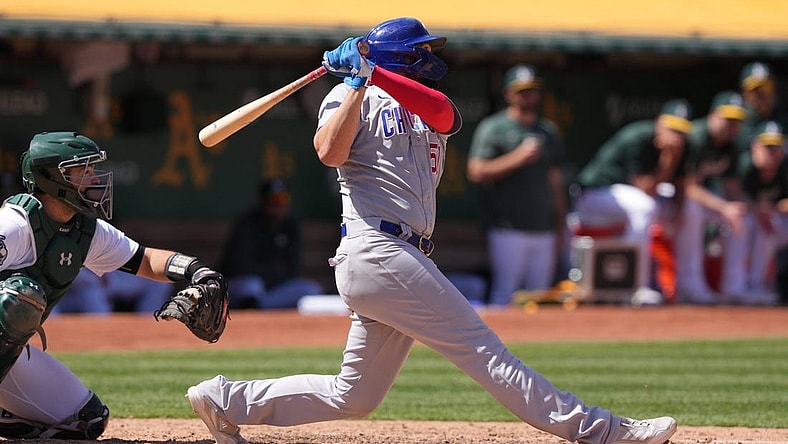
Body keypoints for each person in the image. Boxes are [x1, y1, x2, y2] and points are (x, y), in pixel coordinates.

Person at [185, 17, 677, 444]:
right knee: (487, 354)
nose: (429, 58)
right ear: (400, 56)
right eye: (420, 52)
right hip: (377, 247)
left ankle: (226, 400)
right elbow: (329, 153)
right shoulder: (344, 94)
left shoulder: (425, 104)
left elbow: (446, 115)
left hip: (398, 256)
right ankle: (601, 430)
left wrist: (371, 69)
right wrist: (357, 82)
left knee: (353, 396)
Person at [0, 131, 226, 439]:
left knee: (86, 420)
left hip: (9, 356)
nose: (93, 178)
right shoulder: (15, 224)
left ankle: (7, 414)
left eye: (92, 169)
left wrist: (197, 271)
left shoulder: (84, 230)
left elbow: (144, 260)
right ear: (52, 177)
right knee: (18, 299)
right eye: (82, 170)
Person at [572, 99, 694, 305]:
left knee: (691, 209)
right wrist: (669, 158)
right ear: (659, 123)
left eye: (681, 131)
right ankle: (637, 285)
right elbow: (646, 188)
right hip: (594, 198)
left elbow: (680, 186)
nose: (676, 136)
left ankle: (688, 284)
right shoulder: (637, 137)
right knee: (645, 206)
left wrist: (679, 214)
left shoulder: (683, 146)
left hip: (626, 201)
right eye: (672, 129)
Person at [466, 64, 567, 308]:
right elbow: (476, 171)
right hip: (507, 226)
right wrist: (518, 157)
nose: (528, 96)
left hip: (543, 226)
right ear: (508, 94)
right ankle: (496, 348)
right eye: (521, 91)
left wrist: (561, 222)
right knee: (506, 295)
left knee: (539, 297)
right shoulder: (494, 127)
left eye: (532, 90)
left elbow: (555, 181)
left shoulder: (547, 130)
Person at [673, 91, 748, 304]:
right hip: (672, 195)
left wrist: (735, 208)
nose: (731, 126)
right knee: (692, 208)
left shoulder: (731, 145)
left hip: (704, 198)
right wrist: (724, 207)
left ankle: (735, 288)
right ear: (713, 115)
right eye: (728, 119)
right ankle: (690, 283)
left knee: (740, 214)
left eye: (736, 121)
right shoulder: (696, 137)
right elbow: (688, 188)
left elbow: (732, 188)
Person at [219, 178, 324, 309]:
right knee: (252, 286)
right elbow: (239, 267)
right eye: (273, 199)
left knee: (311, 289)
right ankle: (248, 317)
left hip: (273, 290)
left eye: (282, 199)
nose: (277, 204)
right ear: (263, 201)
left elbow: (293, 269)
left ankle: (262, 311)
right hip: (244, 287)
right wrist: (274, 272)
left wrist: (274, 275)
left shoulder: (291, 227)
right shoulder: (248, 224)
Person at [722, 120, 787, 305]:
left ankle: (757, 285)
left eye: (776, 147)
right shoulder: (744, 164)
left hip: (771, 220)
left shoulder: (784, 167)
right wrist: (760, 209)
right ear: (755, 146)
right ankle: (733, 287)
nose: (772, 153)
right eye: (767, 147)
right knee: (743, 220)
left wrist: (771, 209)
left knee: (771, 222)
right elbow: (731, 194)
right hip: (730, 221)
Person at [54, 268, 174, 315]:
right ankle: (98, 339)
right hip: (65, 296)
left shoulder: (97, 230)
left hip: (103, 276)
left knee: (159, 282)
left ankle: (149, 329)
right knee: (92, 294)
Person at [738, 62, 788, 149]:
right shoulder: (736, 123)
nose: (763, 95)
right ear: (745, 94)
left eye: (767, 88)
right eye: (756, 90)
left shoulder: (784, 121)